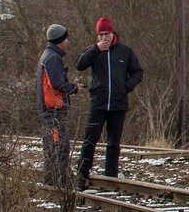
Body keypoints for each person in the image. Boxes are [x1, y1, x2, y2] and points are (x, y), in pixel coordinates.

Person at [75, 17, 143, 188]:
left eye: (106, 34)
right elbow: (79, 65)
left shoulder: (125, 51)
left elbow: (138, 72)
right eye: (100, 35)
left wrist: (126, 87)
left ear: (113, 33)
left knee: (114, 143)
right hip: (98, 103)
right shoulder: (93, 51)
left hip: (118, 103)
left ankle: (111, 176)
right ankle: (82, 174)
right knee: (90, 139)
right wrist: (95, 49)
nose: (104, 37)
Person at [36, 23, 78, 189]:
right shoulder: (53, 58)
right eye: (65, 38)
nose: (67, 41)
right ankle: (59, 183)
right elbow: (57, 84)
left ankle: (51, 181)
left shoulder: (47, 56)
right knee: (59, 147)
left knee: (52, 147)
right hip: (52, 110)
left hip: (49, 109)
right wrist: (73, 88)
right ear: (60, 39)